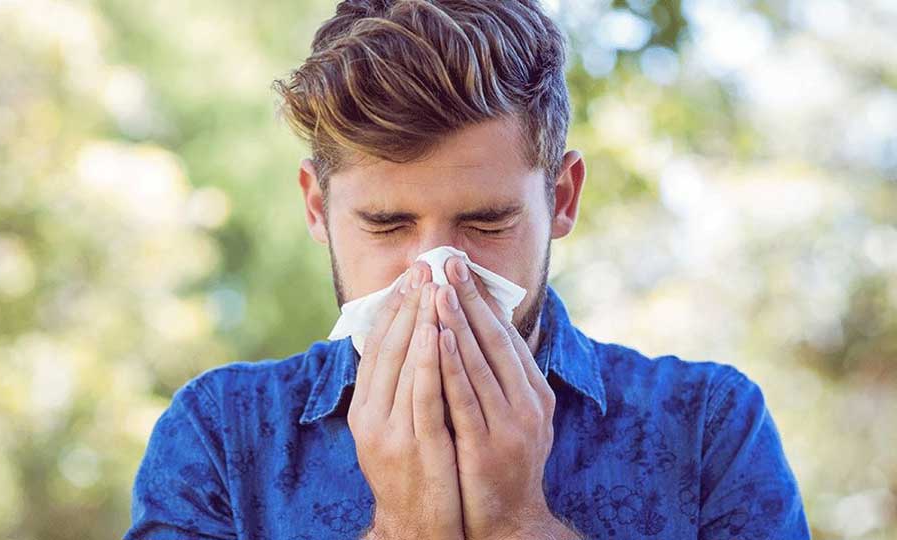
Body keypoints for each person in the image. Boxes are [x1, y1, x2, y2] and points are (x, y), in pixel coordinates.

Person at [124, 1, 811, 538]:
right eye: (386, 224)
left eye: (487, 222)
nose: (436, 271)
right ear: (317, 207)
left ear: (562, 199)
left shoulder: (707, 429)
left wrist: (519, 524)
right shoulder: (222, 435)